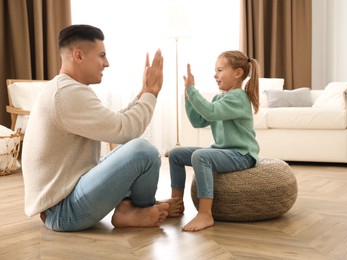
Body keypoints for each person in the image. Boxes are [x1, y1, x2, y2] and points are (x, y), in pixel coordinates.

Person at [22, 24, 181, 232]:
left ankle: (131, 209)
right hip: (62, 212)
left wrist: (144, 92)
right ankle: (137, 209)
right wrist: (152, 92)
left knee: (137, 150)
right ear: (78, 56)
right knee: (144, 151)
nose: (107, 63)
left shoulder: (64, 88)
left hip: (66, 198)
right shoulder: (66, 94)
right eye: (102, 56)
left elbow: (116, 122)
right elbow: (125, 130)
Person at [168, 50, 260, 232]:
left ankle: (205, 214)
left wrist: (193, 90)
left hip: (242, 155)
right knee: (175, 154)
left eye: (219, 70)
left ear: (238, 73)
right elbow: (199, 121)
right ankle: (176, 204)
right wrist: (188, 98)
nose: (215, 75)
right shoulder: (221, 97)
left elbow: (210, 111)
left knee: (201, 156)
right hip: (224, 152)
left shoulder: (239, 98)